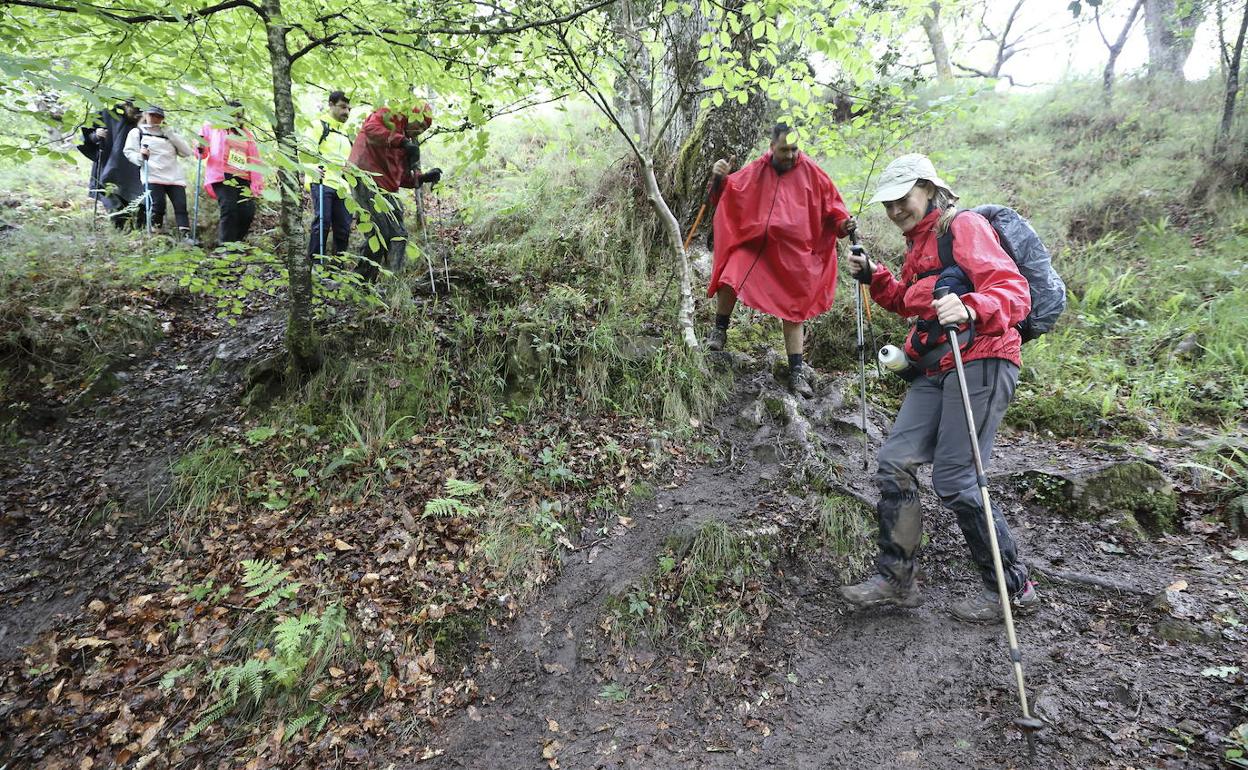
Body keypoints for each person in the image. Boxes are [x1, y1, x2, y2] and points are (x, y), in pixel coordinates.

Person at [839, 153, 1036, 623]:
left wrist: (970, 307)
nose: (894, 210)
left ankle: (1011, 587)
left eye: (901, 199)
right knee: (894, 462)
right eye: (887, 204)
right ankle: (897, 580)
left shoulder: (962, 227)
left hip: (983, 357)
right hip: (935, 365)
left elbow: (1015, 291)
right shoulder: (919, 244)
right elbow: (911, 301)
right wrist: (875, 278)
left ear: (928, 188)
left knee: (956, 477)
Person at [705, 123, 856, 397]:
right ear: (772, 147)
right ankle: (719, 331)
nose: (790, 155)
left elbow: (836, 212)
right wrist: (719, 178)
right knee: (732, 271)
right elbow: (724, 195)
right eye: (784, 150)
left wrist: (844, 225)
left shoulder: (814, 174)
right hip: (757, 250)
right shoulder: (757, 169)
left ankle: (796, 372)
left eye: (794, 149)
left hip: (796, 255)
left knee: (795, 307)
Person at [346, 102, 442, 280]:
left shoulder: (408, 142)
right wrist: (403, 142)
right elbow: (370, 129)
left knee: (399, 234)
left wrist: (423, 178)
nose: (421, 130)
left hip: (387, 188)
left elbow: (402, 177)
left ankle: (392, 281)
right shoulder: (390, 115)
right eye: (420, 124)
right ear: (412, 116)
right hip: (364, 177)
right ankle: (360, 282)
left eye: (425, 128)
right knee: (380, 232)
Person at [123, 105, 194, 240]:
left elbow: (186, 152)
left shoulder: (169, 133)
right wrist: (140, 157)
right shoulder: (137, 132)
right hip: (152, 174)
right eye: (152, 115)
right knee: (158, 204)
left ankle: (186, 236)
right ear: (145, 115)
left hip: (174, 175)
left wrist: (171, 135)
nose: (155, 119)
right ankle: (157, 235)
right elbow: (129, 152)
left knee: (180, 205)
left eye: (159, 116)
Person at [198, 100, 264, 245]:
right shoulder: (213, 127)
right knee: (229, 208)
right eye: (232, 114)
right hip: (222, 175)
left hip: (243, 176)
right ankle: (226, 247)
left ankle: (236, 244)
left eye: (238, 114)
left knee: (247, 212)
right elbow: (201, 152)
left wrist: (257, 182)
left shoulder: (246, 134)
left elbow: (255, 159)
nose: (235, 117)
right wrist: (199, 147)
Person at [303, 90, 354, 260]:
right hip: (322, 180)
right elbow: (304, 151)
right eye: (342, 107)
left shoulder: (346, 134)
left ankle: (337, 269)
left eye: (349, 109)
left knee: (344, 228)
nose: (346, 112)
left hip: (343, 188)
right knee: (322, 223)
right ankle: (316, 267)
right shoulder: (319, 125)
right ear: (331, 105)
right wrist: (310, 168)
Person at [77, 100, 142, 229]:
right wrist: (96, 135)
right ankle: (119, 228)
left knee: (137, 195)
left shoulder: (143, 113)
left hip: (134, 163)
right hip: (109, 160)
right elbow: (87, 136)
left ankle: (137, 228)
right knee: (111, 193)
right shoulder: (107, 111)